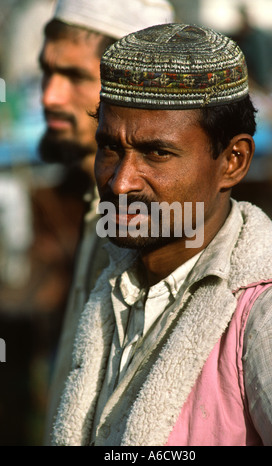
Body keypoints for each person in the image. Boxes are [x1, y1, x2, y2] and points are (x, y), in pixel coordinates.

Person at [50, 24, 272, 446]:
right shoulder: (112, 281)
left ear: (233, 161)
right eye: (110, 148)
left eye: (157, 153)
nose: (121, 182)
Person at [41, 0, 175, 443]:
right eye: (48, 71)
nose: (49, 97)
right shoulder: (95, 206)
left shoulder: (154, 230)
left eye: (75, 76)